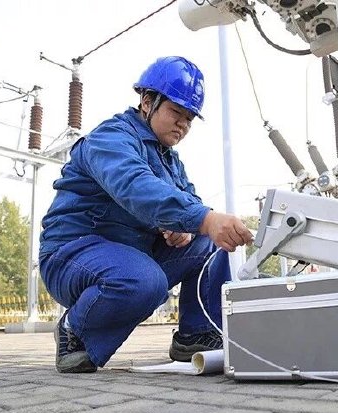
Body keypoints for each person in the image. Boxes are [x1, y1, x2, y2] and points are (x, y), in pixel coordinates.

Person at [38, 56, 253, 373]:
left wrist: (188, 226)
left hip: (130, 256)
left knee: (208, 243)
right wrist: (204, 219)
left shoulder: (169, 160)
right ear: (147, 102)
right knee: (145, 280)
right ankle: (75, 330)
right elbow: (134, 186)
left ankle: (195, 334)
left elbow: (189, 200)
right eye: (176, 112)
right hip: (72, 253)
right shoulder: (112, 138)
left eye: (189, 119)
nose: (183, 124)